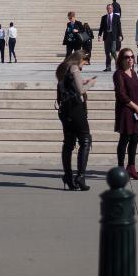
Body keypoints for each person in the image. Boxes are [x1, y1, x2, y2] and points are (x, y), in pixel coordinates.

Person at [55, 51, 95, 190]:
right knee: (85, 140)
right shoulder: (74, 67)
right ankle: (80, 176)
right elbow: (80, 90)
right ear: (80, 59)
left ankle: (68, 176)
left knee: (68, 144)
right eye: (85, 62)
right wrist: (90, 83)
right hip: (75, 108)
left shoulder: (63, 68)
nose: (84, 65)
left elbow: (65, 87)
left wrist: (80, 82)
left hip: (65, 110)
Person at [113, 48, 138, 181]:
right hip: (126, 110)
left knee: (135, 139)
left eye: (132, 57)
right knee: (124, 139)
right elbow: (121, 94)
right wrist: (136, 107)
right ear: (121, 59)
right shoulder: (118, 74)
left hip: (137, 111)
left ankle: (131, 167)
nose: (130, 59)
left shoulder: (133, 72)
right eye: (127, 57)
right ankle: (120, 168)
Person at [99, 3, 121, 72]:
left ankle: (118, 66)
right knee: (107, 52)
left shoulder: (116, 17)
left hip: (113, 36)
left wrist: (120, 35)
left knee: (113, 51)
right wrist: (99, 35)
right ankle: (108, 67)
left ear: (112, 9)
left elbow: (119, 27)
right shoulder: (104, 17)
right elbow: (101, 27)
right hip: (106, 36)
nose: (109, 9)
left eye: (110, 8)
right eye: (108, 8)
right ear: (106, 9)